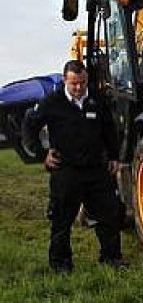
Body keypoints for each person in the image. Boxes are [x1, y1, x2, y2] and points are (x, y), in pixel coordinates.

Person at [22, 60, 127, 273]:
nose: (79, 88)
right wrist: (42, 154)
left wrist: (114, 156)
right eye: (74, 84)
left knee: (108, 215)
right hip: (66, 170)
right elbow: (29, 126)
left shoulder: (97, 99)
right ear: (65, 81)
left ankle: (111, 258)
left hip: (97, 169)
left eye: (82, 83)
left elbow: (109, 129)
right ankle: (61, 264)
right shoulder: (52, 102)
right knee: (61, 219)